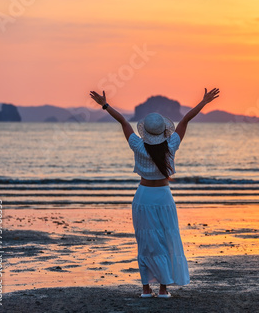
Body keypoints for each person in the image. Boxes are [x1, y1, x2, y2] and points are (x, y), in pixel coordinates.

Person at [89, 88, 220, 298]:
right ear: (163, 131)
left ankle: (145, 289)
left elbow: (123, 122)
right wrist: (204, 102)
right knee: (166, 240)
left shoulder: (138, 146)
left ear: (145, 132)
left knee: (146, 243)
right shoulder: (171, 145)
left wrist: (104, 105)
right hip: (164, 197)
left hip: (143, 197)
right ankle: (163, 289)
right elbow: (185, 120)